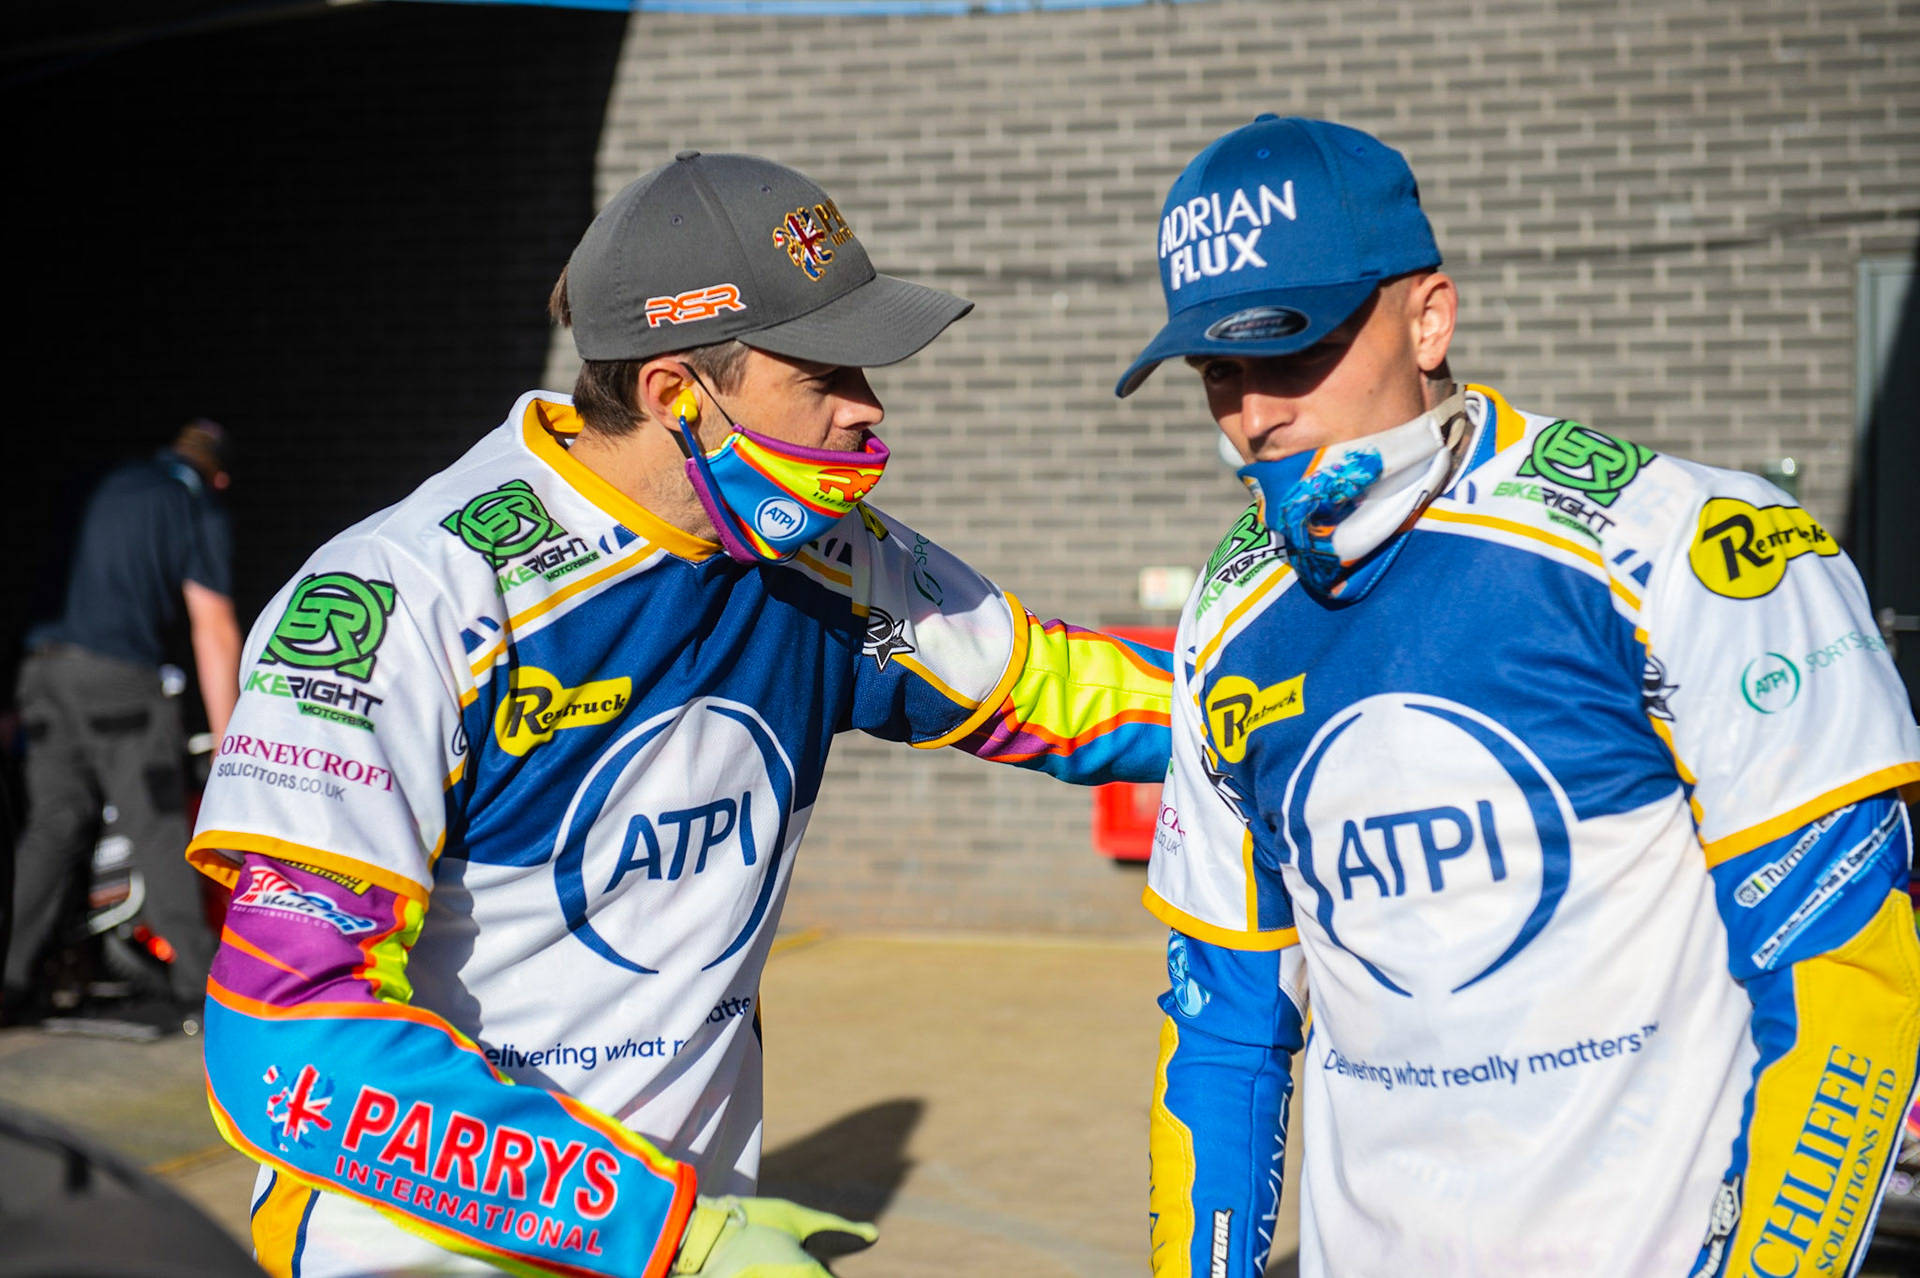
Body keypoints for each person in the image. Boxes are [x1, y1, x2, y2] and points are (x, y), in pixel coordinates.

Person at [188, 151, 1174, 1278]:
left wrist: (1325, 690)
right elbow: (286, 1040)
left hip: (685, 1234)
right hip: (430, 1249)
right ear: (676, 395)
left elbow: (1060, 692)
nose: (869, 409)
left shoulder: (822, 558)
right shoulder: (400, 598)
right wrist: (666, 1231)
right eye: (825, 373)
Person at [1125, 115, 1920, 1278]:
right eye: (1218, 373)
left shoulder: (1689, 543)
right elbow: (1226, 1028)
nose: (1254, 416)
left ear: (1430, 316)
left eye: (1289, 352)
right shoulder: (1231, 611)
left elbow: (1842, 976)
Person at [4, 420, 240, 1027]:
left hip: (44, 675)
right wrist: (233, 744)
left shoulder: (104, 484)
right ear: (218, 475)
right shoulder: (193, 503)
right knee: (160, 825)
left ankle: (11, 982)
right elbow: (211, 627)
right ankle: (201, 989)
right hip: (119, 686)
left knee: (52, 828)